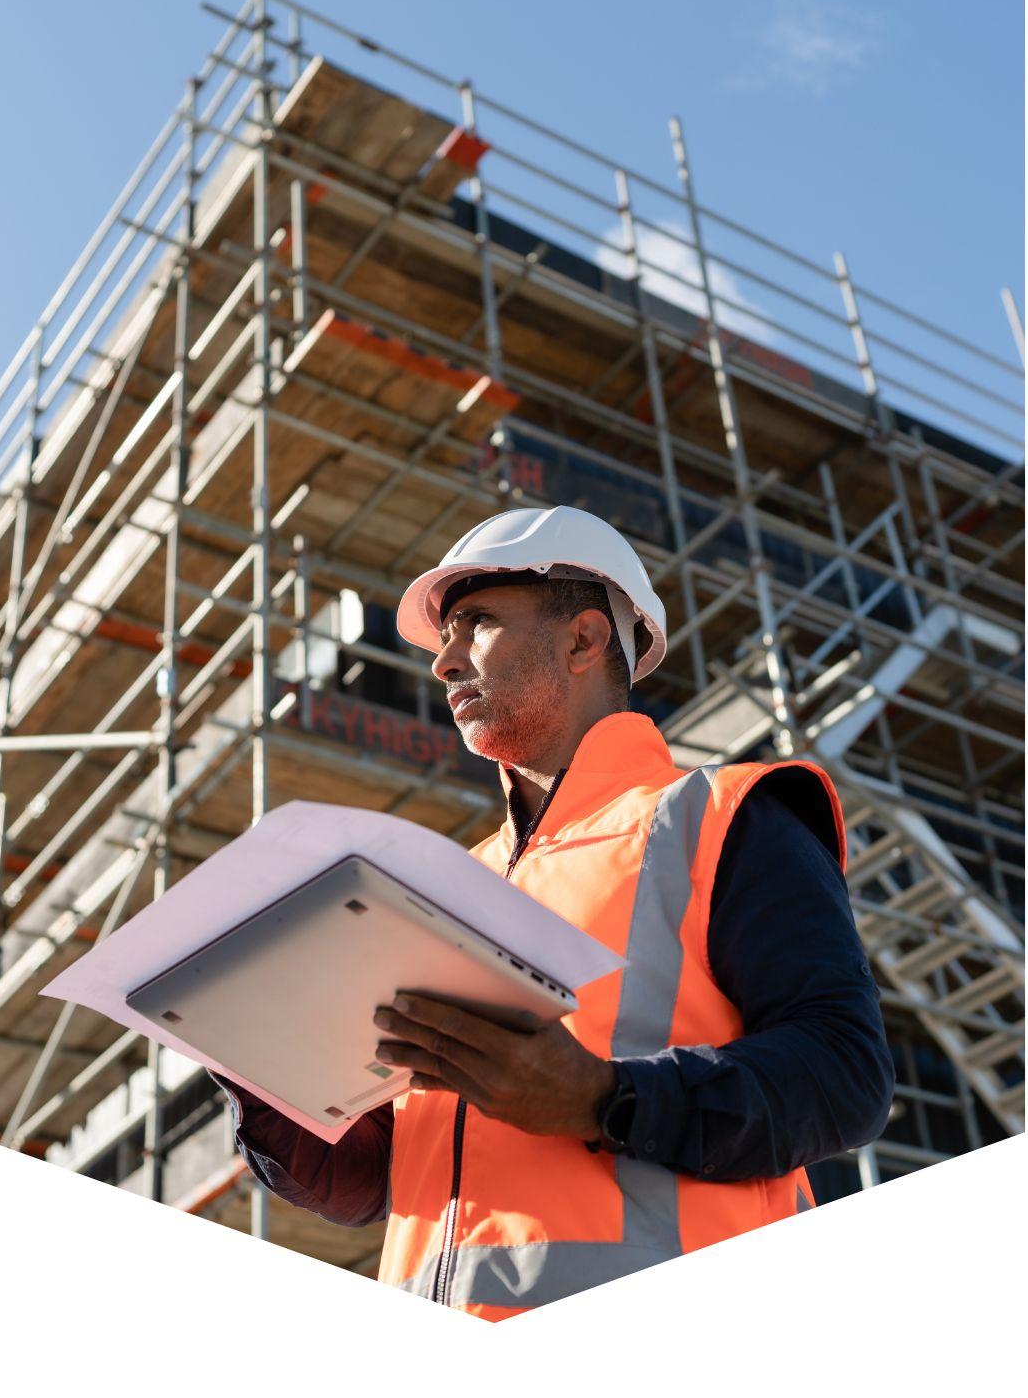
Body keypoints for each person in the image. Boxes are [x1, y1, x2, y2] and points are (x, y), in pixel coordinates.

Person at [213, 505, 895, 1320]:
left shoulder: (719, 816)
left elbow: (847, 1075)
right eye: (445, 638)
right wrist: (260, 1076)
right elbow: (371, 1185)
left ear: (581, 640)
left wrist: (606, 1099)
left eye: (475, 625)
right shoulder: (441, 886)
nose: (444, 663)